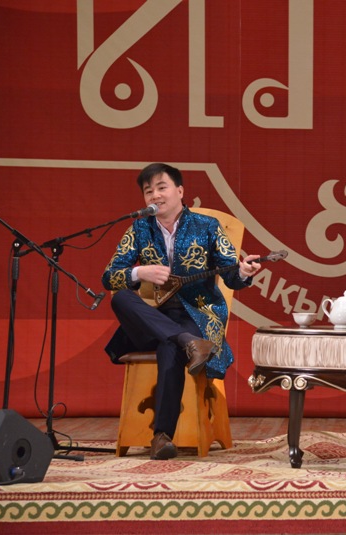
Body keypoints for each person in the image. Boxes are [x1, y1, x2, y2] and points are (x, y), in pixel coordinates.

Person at [102, 163, 261, 460]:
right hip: (152, 318)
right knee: (121, 299)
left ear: (180, 191)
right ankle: (187, 342)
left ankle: (161, 437)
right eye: (148, 191)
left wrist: (244, 272)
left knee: (170, 346)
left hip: (196, 315)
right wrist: (140, 272)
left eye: (161, 188)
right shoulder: (139, 229)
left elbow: (231, 275)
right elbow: (109, 276)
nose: (155, 195)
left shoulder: (207, 226)